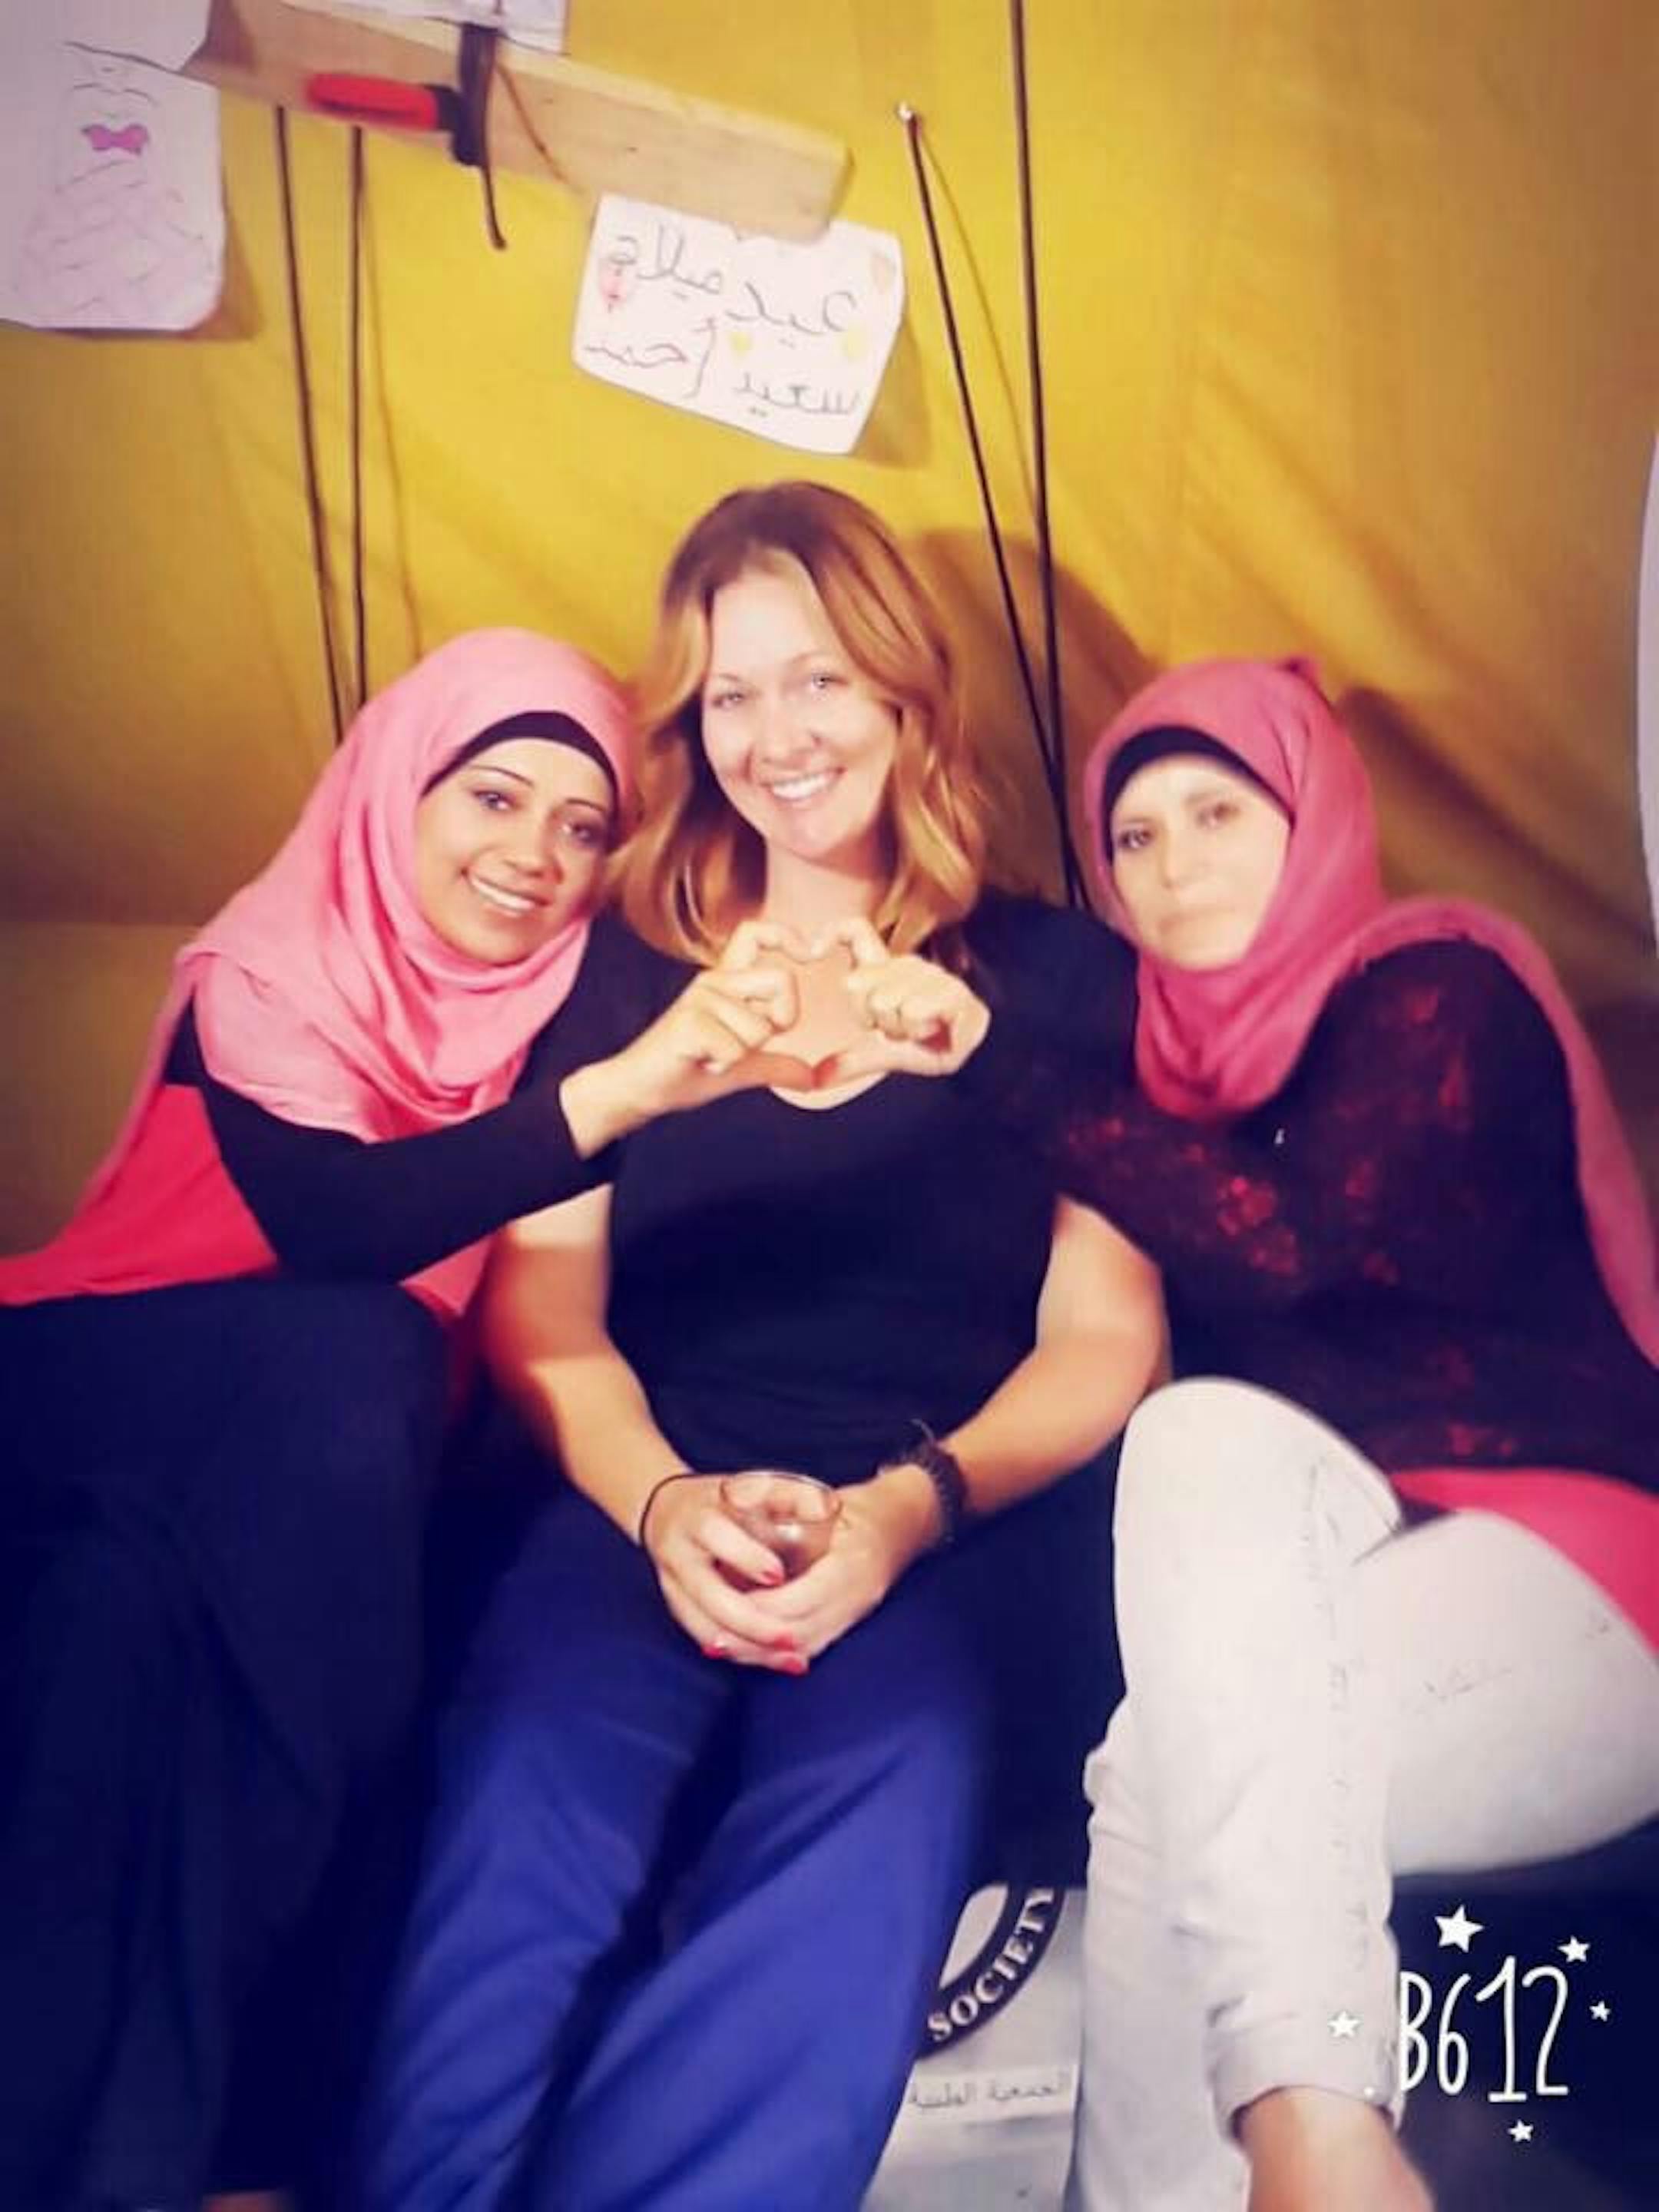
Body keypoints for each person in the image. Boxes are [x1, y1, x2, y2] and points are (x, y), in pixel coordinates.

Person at [352, 482, 1165, 2210]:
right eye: (731, 695)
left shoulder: (1067, 982)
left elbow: (1107, 1333)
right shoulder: (625, 973)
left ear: (903, 689)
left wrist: (906, 1511)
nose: (778, 737)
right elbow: (543, 1306)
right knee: (524, 1808)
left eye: (819, 681)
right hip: (638, 1489)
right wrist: (659, 1508)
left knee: (886, 1819)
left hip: (935, 1519)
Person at [0, 627, 816, 2212]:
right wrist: (626, 1094)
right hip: (98, 1387)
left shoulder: (567, 1002)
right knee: (356, 1373)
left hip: (289, 1507)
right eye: (496, 798)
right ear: (397, 790)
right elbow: (338, 1223)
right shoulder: (276, 960)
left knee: (126, 1651)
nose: (533, 856)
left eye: (582, 828)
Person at [842, 654, 1659, 2210]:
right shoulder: (1160, 1084)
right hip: (1353, 1601)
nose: (1171, 864)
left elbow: (1289, 1237)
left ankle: (1309, 2111)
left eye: (1217, 811)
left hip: (1600, 1594)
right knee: (1167, 1682)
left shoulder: (1437, 990)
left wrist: (989, 1058)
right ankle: (1290, 2150)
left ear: (1314, 821)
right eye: (1132, 839)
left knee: (1185, 1750)